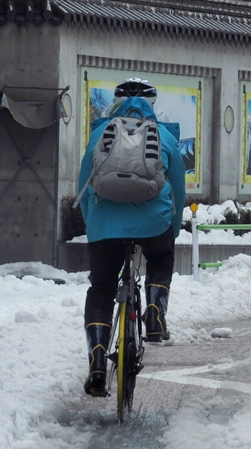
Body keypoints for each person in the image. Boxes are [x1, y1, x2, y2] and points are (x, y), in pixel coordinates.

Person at [78, 78, 186, 396]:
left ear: (115, 103)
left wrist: (94, 226)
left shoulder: (100, 134)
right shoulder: (164, 135)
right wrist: (173, 229)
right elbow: (178, 191)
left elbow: (84, 186)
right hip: (154, 224)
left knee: (101, 290)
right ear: (152, 105)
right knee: (161, 257)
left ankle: (97, 363)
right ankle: (154, 314)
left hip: (104, 227)